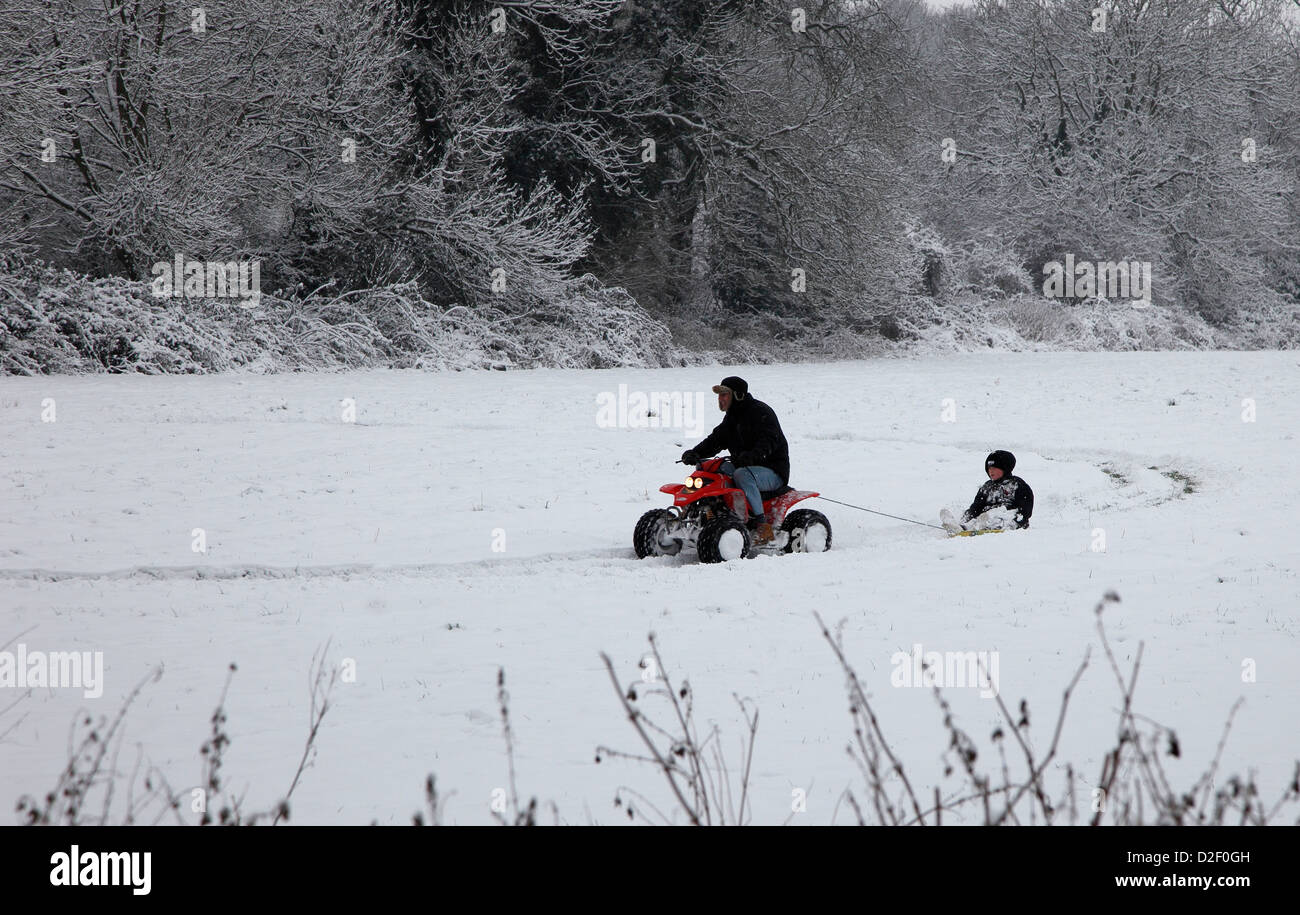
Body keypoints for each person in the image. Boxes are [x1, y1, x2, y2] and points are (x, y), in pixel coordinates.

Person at [681, 376, 790, 544]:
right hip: (745, 466)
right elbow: (716, 440)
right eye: (719, 395)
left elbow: (770, 440)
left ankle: (762, 526)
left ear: (738, 395)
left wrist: (754, 455)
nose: (720, 399)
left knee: (741, 475)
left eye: (724, 395)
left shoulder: (761, 412)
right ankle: (701, 514)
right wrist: (696, 453)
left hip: (772, 471)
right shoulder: (732, 417)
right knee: (711, 468)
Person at [942, 450, 1034, 533]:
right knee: (976, 516)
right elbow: (977, 507)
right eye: (989, 468)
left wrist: (1018, 521)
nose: (991, 471)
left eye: (994, 468)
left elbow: (1025, 510)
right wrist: (968, 516)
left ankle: (976, 527)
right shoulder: (987, 487)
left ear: (1005, 468)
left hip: (1010, 521)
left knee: (991, 517)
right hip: (984, 519)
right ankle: (960, 526)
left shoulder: (1017, 485)